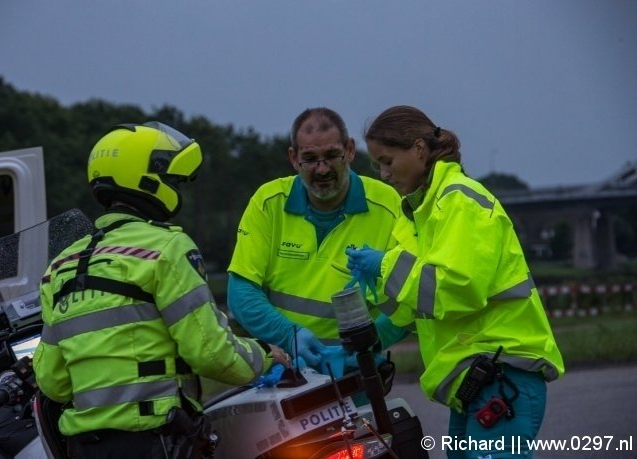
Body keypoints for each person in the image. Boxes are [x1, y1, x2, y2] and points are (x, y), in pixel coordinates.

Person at [33, 121, 289, 459]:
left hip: (84, 448)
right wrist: (267, 355)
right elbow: (212, 355)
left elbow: (53, 382)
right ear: (147, 180)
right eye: (172, 180)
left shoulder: (60, 267)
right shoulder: (165, 248)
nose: (176, 189)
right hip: (156, 441)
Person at [346, 105, 565, 458]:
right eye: (377, 165)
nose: (384, 175)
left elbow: (457, 289)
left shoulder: (458, 201)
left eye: (388, 161)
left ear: (418, 149)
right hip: (479, 380)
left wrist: (385, 264)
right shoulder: (424, 212)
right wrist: (366, 341)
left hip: (501, 374)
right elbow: (420, 305)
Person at [227, 107, 408, 376]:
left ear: (349, 150)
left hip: (357, 375)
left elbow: (408, 295)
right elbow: (241, 293)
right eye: (310, 159)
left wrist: (369, 343)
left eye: (332, 156)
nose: (322, 169)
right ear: (293, 158)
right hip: (286, 372)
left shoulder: (390, 205)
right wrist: (291, 336)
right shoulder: (268, 202)